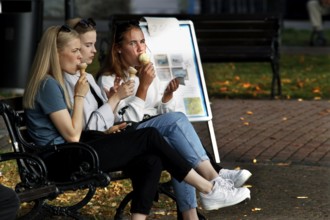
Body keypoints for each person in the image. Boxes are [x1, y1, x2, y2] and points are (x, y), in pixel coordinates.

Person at [23, 24, 250, 220]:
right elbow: (72, 136)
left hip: (77, 150)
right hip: (59, 160)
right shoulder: (48, 85)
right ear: (55, 53)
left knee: (151, 159)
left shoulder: (57, 82)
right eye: (75, 51)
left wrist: (107, 122)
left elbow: (78, 131)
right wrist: (80, 97)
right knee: (151, 136)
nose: (81, 56)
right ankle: (209, 188)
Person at [87, 19, 251, 219]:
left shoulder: (146, 72)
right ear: (118, 48)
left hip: (154, 133)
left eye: (142, 41)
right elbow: (125, 122)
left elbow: (162, 115)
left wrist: (166, 99)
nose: (140, 48)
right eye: (133, 43)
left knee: (177, 138)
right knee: (176, 123)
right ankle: (214, 178)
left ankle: (190, 214)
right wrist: (142, 89)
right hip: (131, 140)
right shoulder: (109, 80)